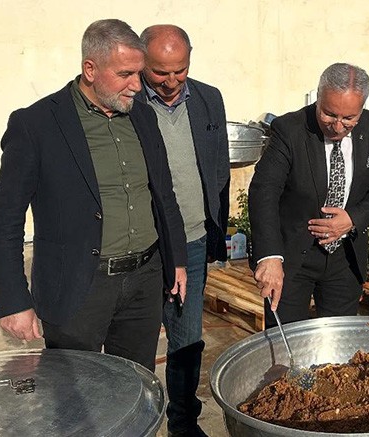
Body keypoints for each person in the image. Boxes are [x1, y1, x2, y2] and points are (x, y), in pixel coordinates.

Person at [0, 19, 187, 373]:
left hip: (144, 281)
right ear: (90, 69)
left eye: (139, 74)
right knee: (75, 391)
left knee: (137, 383)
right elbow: (5, 220)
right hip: (78, 286)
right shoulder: (36, 125)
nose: (137, 85)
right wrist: (13, 300)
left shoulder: (143, 116)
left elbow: (162, 194)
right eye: (125, 74)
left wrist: (177, 260)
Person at [249, 63, 369, 325]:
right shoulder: (290, 129)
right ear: (318, 97)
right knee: (286, 342)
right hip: (293, 258)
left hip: (345, 258)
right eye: (329, 114)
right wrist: (270, 257)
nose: (338, 127)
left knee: (338, 342)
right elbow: (264, 191)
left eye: (349, 118)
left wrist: (353, 218)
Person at [136, 24, 229, 437]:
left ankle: (184, 422)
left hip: (191, 241)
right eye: (160, 72)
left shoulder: (208, 99)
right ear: (142, 62)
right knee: (135, 342)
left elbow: (219, 166)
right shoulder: (127, 100)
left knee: (187, 339)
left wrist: (215, 230)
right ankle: (136, 422)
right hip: (144, 244)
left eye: (181, 70)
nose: (172, 81)